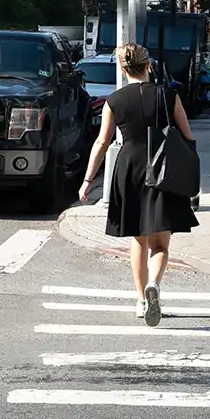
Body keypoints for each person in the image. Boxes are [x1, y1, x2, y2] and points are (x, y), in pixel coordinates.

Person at [79, 42, 197, 326]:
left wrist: (87, 181)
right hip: (164, 169)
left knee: (138, 239)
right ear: (149, 66)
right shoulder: (169, 95)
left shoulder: (115, 101)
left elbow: (102, 142)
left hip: (129, 167)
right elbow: (188, 136)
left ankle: (141, 301)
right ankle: (154, 284)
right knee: (161, 244)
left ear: (123, 68)